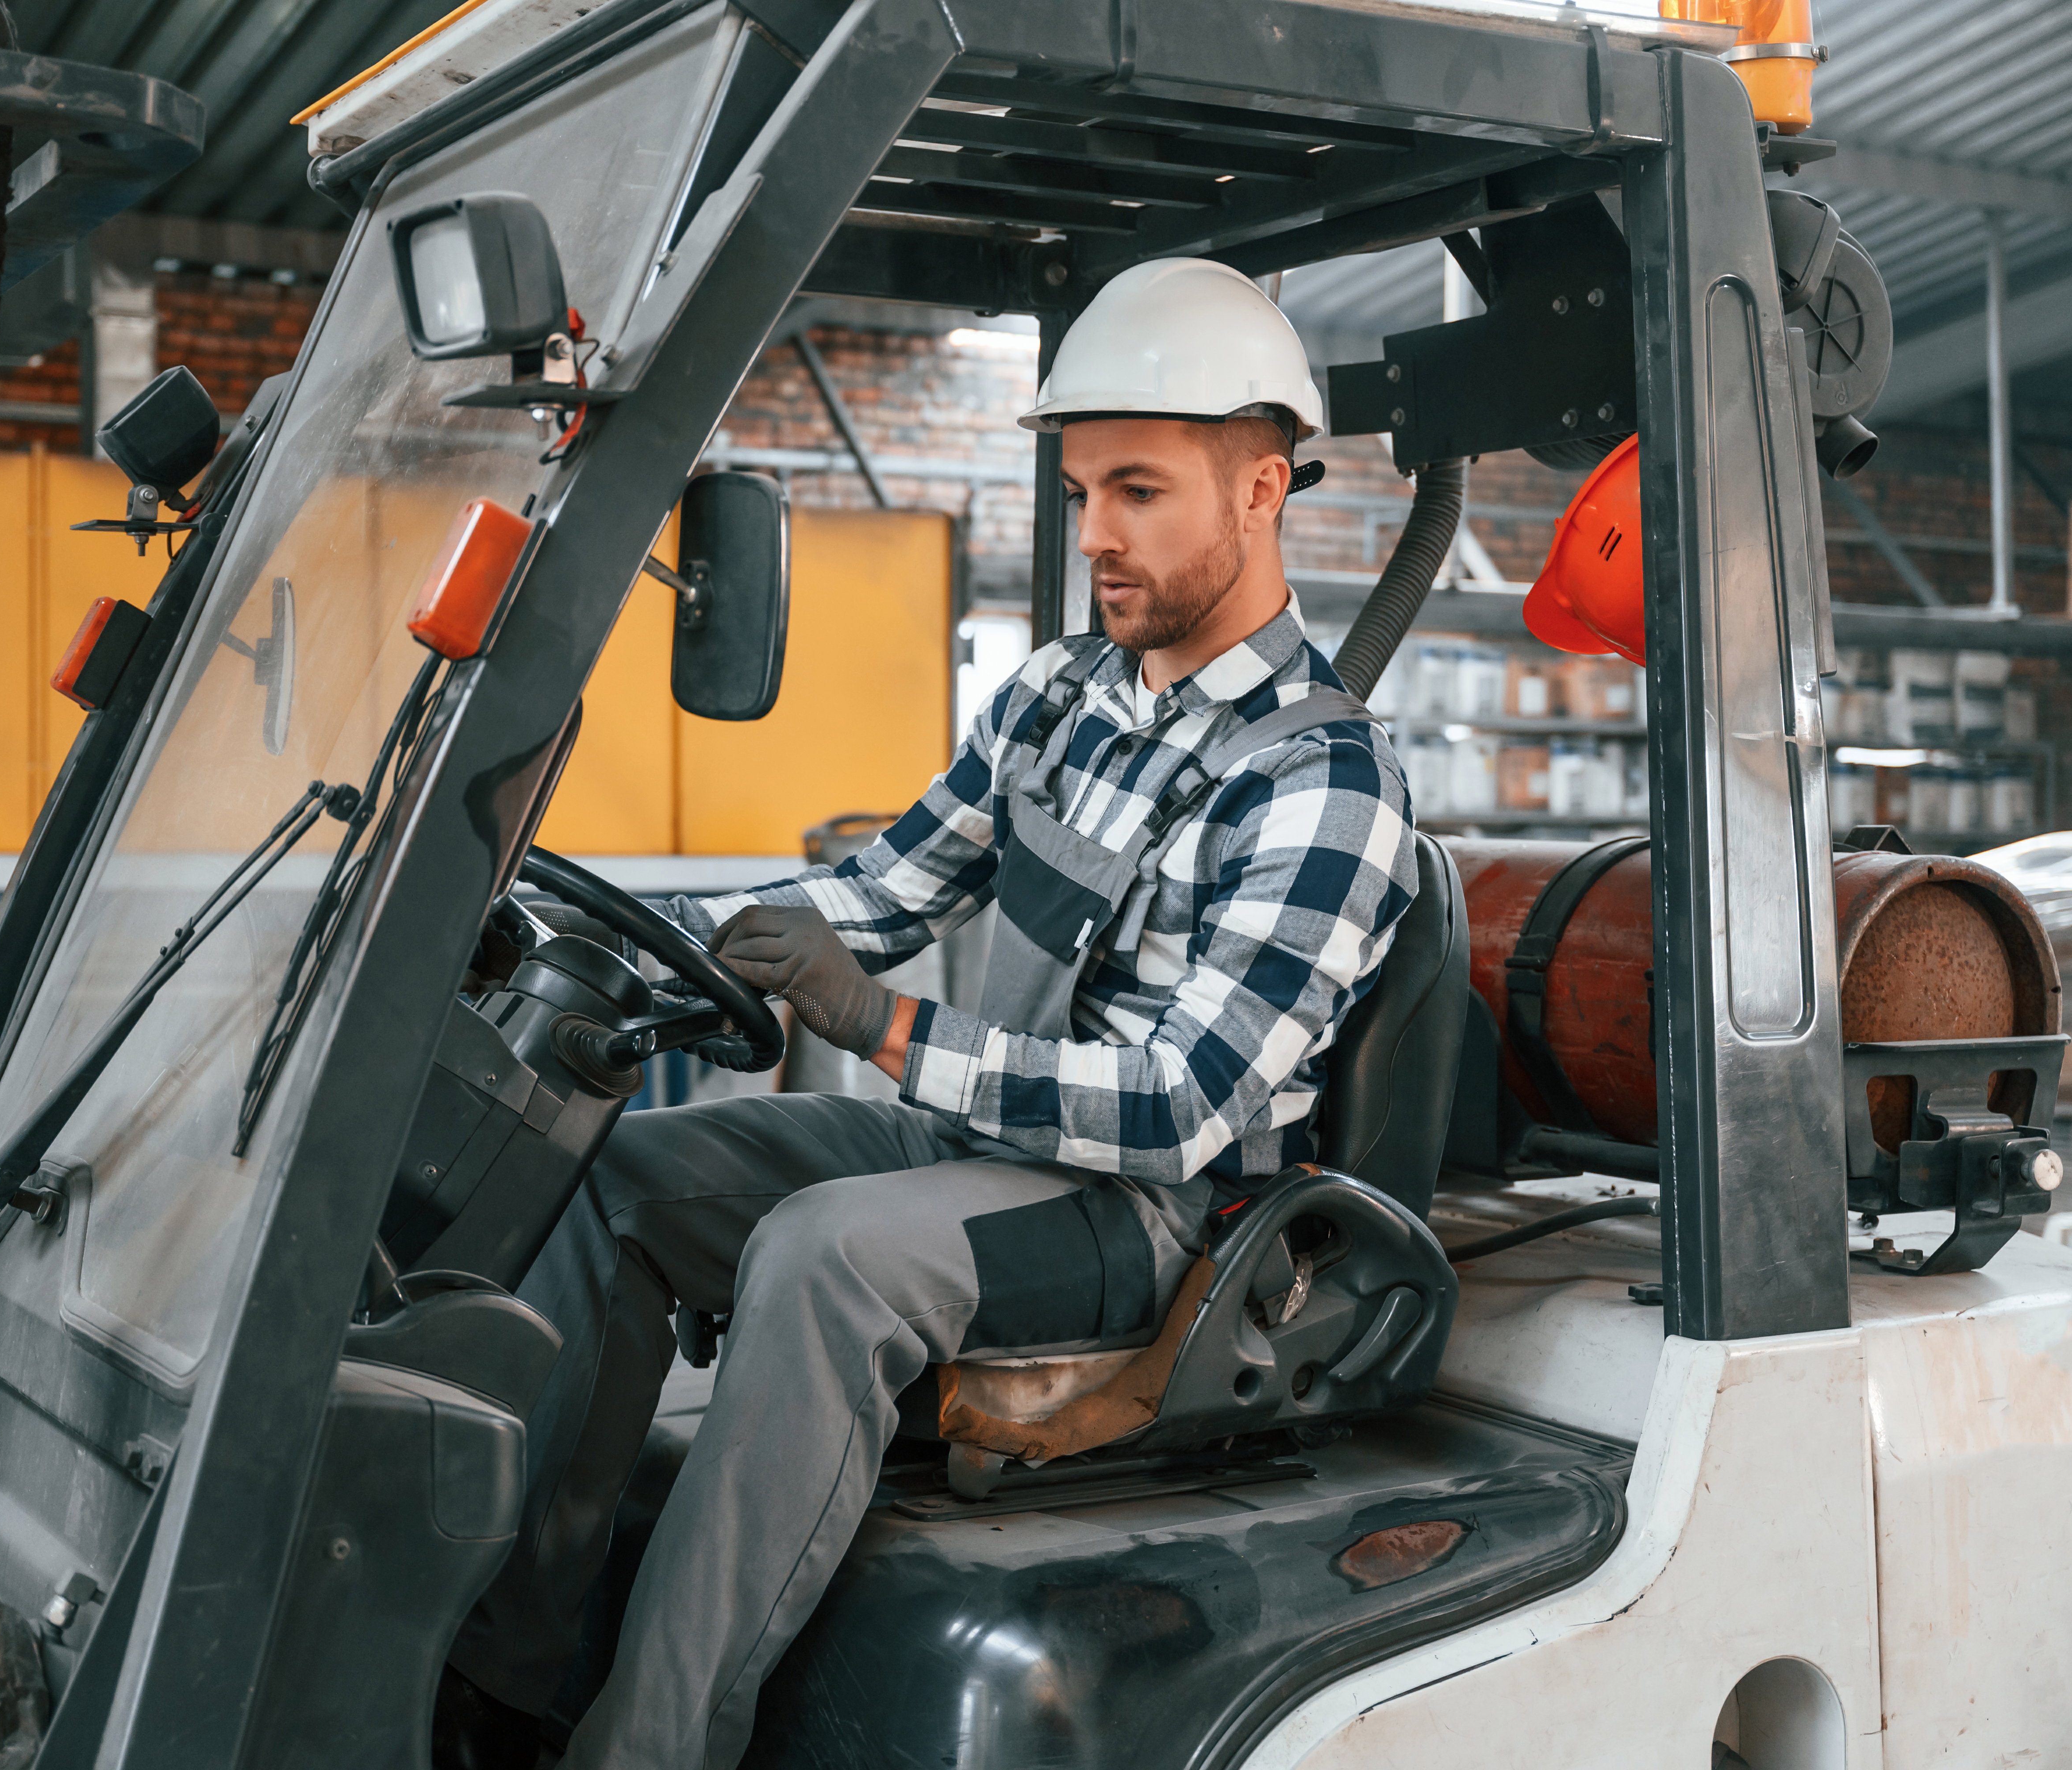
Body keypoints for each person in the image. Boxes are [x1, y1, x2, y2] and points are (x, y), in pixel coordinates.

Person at [435, 257, 1419, 1770]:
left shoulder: (1323, 781)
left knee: (831, 1256)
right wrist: (629, 942)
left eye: (1139, 492)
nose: (1095, 532)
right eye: (1085, 489)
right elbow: (880, 895)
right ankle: (503, 1680)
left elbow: (1178, 1107)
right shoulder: (1055, 698)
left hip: (1159, 1221)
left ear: (1261, 491)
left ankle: (649, 1746)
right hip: (968, 1134)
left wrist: (887, 1032)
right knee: (615, 1177)